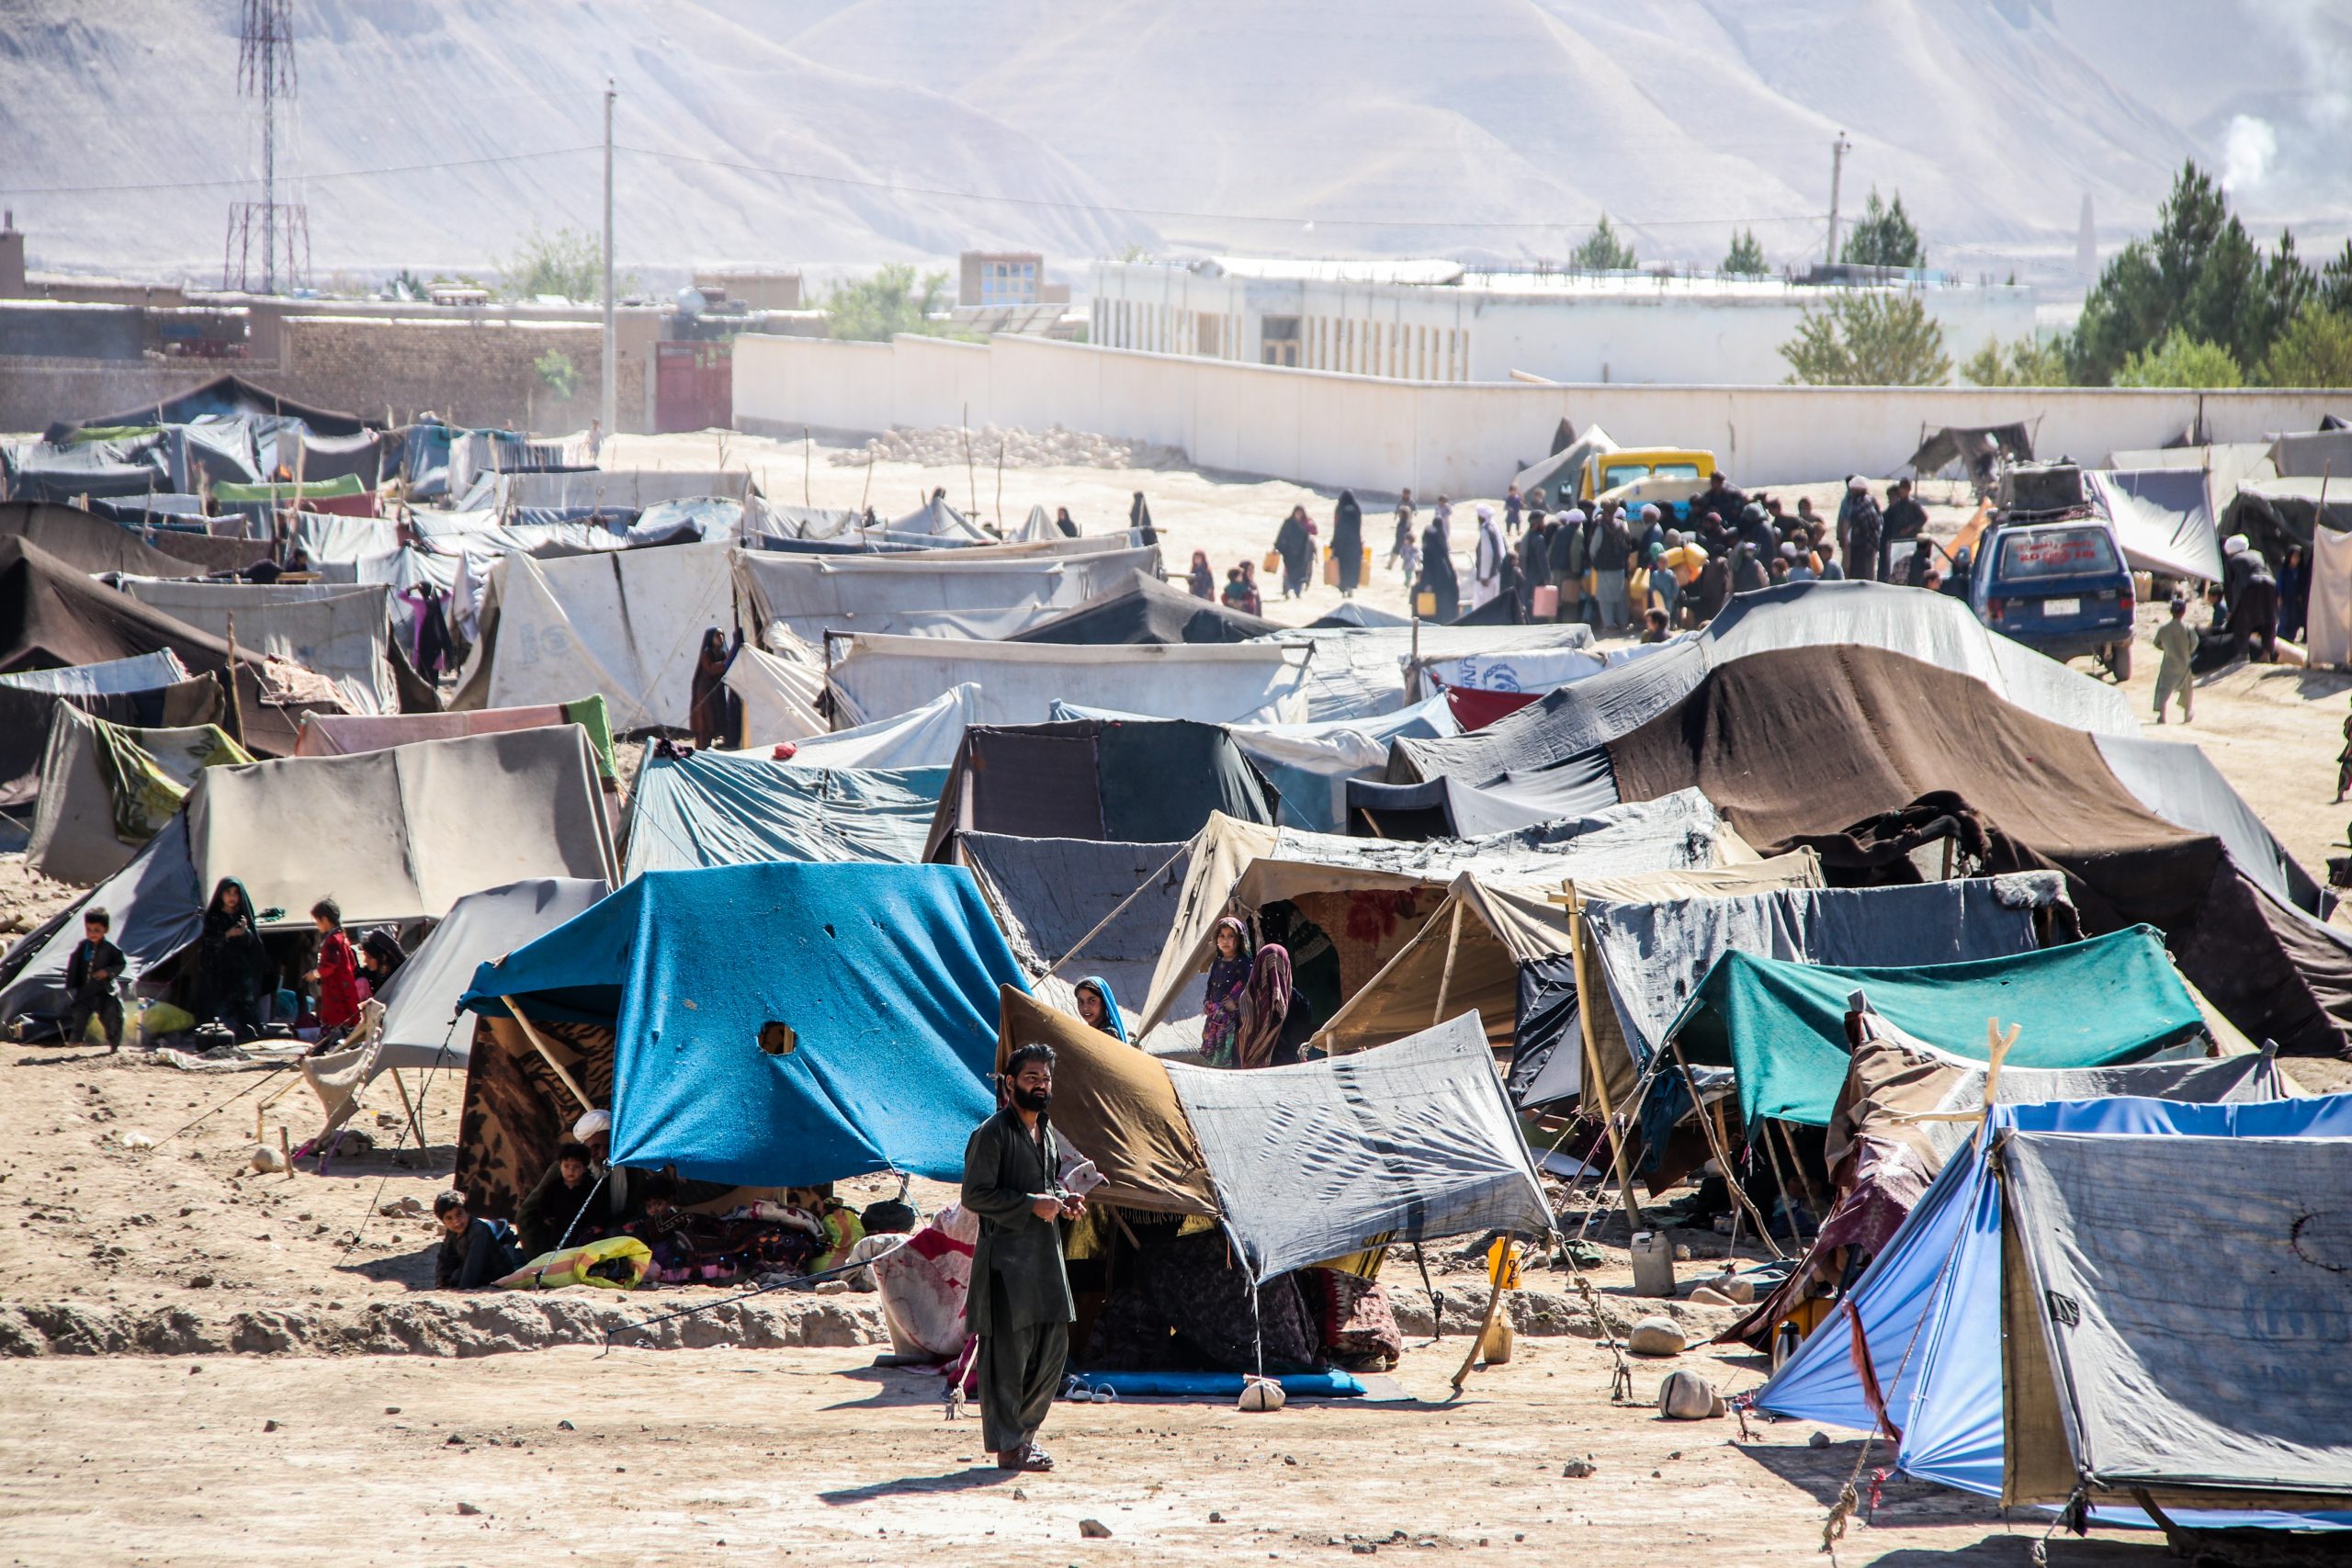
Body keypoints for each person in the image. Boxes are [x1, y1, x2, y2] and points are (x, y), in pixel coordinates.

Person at [962, 1042, 1081, 1472]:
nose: (1041, 1086)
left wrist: (1063, 1200)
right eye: (1032, 1078)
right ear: (1011, 1083)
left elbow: (1043, 1188)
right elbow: (974, 1195)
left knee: (1051, 1351)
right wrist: (1031, 1203)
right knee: (1009, 1359)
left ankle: (1025, 1438)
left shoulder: (1045, 1133)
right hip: (1006, 1266)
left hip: (1045, 1261)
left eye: (1046, 1079)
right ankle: (1009, 1447)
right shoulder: (991, 1134)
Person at [196, 877, 266, 1038]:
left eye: (236, 893)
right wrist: (228, 934)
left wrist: (245, 933)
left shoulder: (243, 916)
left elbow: (253, 944)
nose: (232, 897)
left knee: (244, 1007)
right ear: (221, 894)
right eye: (228, 892)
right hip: (219, 971)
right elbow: (209, 942)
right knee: (221, 1009)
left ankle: (247, 1035)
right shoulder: (214, 917)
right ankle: (219, 1036)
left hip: (240, 971)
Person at [517, 1141, 605, 1258]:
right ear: (560, 1166)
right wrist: (547, 1218)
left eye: (576, 1167)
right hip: (558, 1232)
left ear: (584, 1168)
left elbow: (598, 1208)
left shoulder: (590, 1188)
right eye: (567, 1166)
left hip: (582, 1232)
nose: (571, 1171)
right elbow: (545, 1204)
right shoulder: (553, 1187)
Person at [1236, 942, 1314, 1068]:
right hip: (1286, 1063)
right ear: (1286, 967)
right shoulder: (1291, 996)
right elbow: (1307, 1016)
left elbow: (1241, 1032)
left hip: (1253, 1065)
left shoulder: (1248, 996)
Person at [434, 1191, 524, 1291]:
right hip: (474, 1269)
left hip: (495, 1275)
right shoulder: (452, 1230)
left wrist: (463, 1289)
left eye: (459, 1214)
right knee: (454, 1277)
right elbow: (446, 1256)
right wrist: (442, 1281)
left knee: (457, 1278)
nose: (456, 1221)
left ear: (466, 1211)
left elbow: (473, 1265)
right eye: (449, 1218)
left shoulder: (478, 1230)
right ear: (444, 1222)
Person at [64, 908, 125, 1053]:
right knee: (79, 1014)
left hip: (104, 991)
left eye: (97, 930)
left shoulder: (111, 949)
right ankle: (76, 1039)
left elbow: (121, 964)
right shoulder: (83, 947)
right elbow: (75, 962)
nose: (92, 934)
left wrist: (108, 972)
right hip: (86, 989)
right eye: (89, 929)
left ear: (106, 929)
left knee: (110, 1017)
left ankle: (114, 1045)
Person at [1199, 917, 1253, 1069]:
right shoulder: (1218, 961)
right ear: (1216, 939)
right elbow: (1211, 985)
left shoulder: (1244, 963)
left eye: (1231, 936)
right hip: (1216, 1016)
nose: (1225, 940)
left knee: (1232, 1053)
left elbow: (1251, 987)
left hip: (1234, 1019)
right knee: (1213, 1054)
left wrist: (1235, 1003)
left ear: (1239, 939)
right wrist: (1206, 1001)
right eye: (1221, 936)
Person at [307, 899, 360, 1037]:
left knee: (336, 1017)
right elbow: (352, 962)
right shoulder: (342, 936)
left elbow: (330, 964)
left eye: (317, 921)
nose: (317, 925)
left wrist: (316, 973)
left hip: (335, 987)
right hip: (345, 984)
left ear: (324, 919)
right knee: (347, 1015)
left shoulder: (332, 940)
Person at [688, 626, 743, 750]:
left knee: (718, 717)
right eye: (717, 635)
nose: (721, 638)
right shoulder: (706, 653)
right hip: (705, 692)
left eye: (722, 635)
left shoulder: (723, 653)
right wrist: (726, 662)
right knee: (706, 720)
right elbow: (711, 669)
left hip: (716, 691)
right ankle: (702, 747)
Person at [2154, 596, 2197, 724]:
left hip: (2168, 663)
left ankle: (2162, 715)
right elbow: (2194, 644)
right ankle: (2187, 714)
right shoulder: (2188, 628)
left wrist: (2166, 649)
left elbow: (2156, 643)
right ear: (2184, 612)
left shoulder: (2163, 628)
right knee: (2186, 689)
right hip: (2184, 663)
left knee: (2164, 688)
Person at [1591, 504, 1632, 632]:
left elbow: (1593, 549)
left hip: (1604, 568)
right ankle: (1623, 624)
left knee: (1604, 599)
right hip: (1619, 568)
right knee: (1620, 597)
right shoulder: (1622, 525)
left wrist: (1596, 562)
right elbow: (1627, 545)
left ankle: (1609, 625)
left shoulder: (1601, 527)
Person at [1416, 505, 1459, 623]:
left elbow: (1429, 573)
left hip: (1437, 592)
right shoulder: (1443, 554)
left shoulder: (1429, 552)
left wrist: (1426, 585)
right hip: (1448, 592)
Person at [1881, 479, 1928, 577]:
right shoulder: (1896, 505)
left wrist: (1910, 528)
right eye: (1901, 488)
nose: (1902, 491)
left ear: (1908, 490)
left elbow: (1923, 518)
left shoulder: (1913, 504)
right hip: (1897, 540)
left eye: (1904, 489)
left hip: (1910, 540)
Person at [1842, 477, 1883, 584]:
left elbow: (1867, 524)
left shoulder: (1859, 504)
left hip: (1864, 544)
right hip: (1868, 543)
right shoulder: (1870, 500)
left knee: (1863, 575)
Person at [1550, 507, 1588, 625]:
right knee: (1569, 602)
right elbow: (1575, 552)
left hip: (1555, 571)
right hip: (1569, 572)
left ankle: (1553, 624)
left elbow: (1550, 550)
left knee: (1556, 601)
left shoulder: (1560, 530)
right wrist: (1577, 571)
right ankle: (1568, 625)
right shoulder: (1578, 533)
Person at [1273, 505, 1315, 600]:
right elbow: (1281, 534)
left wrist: (1310, 523)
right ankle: (1286, 591)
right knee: (1288, 571)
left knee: (1300, 573)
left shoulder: (1306, 523)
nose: (1299, 515)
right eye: (1297, 512)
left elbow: (1314, 531)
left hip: (1301, 553)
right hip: (1289, 553)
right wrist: (1277, 547)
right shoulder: (1288, 523)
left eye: (1301, 513)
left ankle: (1297, 592)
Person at [1471, 504, 1506, 609]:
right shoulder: (1495, 527)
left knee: (1482, 607)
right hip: (1496, 573)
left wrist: (1484, 576)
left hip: (1488, 578)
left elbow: (1487, 554)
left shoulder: (1485, 530)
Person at [1071, 976, 1127, 1043]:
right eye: (1081, 1001)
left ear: (1104, 1002)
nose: (1085, 1007)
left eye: (1092, 1001)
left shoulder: (1108, 1036)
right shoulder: (1092, 1032)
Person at [1331, 490, 1363, 597]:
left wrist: (1334, 543)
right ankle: (1351, 587)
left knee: (1342, 566)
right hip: (1354, 543)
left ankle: (1343, 588)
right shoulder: (1356, 508)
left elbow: (1336, 526)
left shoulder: (1340, 509)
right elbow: (1359, 526)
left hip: (1342, 543)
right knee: (1353, 566)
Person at [357, 930, 406, 997]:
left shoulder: (401, 977)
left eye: (369, 957)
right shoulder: (368, 973)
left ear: (383, 957)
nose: (365, 961)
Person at [2278, 544, 2310, 644]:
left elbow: (2302, 585)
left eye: (2298, 556)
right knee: (2285, 619)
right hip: (2286, 598)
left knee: (2295, 620)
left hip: (2296, 600)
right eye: (2294, 556)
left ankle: (2290, 638)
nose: (2296, 559)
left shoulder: (2301, 571)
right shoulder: (2284, 570)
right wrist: (2280, 596)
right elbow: (2280, 584)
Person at [1388, 490, 1419, 578]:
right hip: (1401, 539)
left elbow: (1415, 507)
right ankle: (1390, 565)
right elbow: (1397, 508)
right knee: (1395, 552)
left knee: (1399, 552)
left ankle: (1408, 571)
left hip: (1403, 540)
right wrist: (1395, 514)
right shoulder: (1400, 502)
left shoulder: (1411, 502)